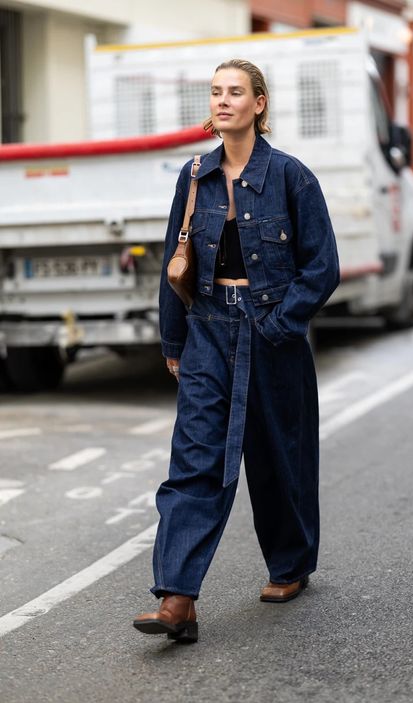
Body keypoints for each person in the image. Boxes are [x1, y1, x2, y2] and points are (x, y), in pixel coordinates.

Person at [133, 59, 340, 643]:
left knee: (279, 458)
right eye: (216, 92)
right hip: (207, 329)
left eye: (236, 92)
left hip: (270, 329)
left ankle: (290, 564)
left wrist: (280, 324)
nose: (224, 101)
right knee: (194, 458)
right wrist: (174, 339)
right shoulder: (194, 175)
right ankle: (177, 598)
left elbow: (322, 267)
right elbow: (176, 257)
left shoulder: (292, 178)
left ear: (260, 103)